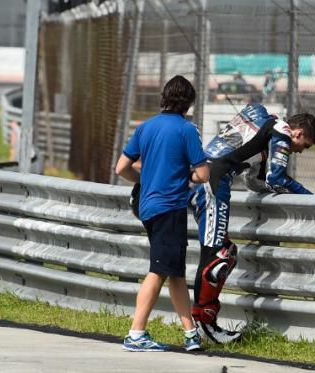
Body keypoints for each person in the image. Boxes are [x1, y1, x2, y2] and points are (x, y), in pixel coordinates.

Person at [189, 103, 315, 344]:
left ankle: (200, 324)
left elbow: (255, 181)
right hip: (213, 183)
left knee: (222, 252)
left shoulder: (262, 119)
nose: (300, 151)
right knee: (217, 256)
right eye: (304, 145)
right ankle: (203, 325)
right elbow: (276, 177)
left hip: (201, 177)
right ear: (298, 133)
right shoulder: (281, 131)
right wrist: (310, 198)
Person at [115, 75, 210, 352]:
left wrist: (144, 180)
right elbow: (203, 174)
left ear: (163, 98)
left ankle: (191, 334)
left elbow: (121, 168)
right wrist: (187, 173)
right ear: (189, 103)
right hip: (171, 208)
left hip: (147, 207)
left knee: (174, 272)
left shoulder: (145, 127)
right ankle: (136, 333)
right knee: (158, 271)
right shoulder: (186, 130)